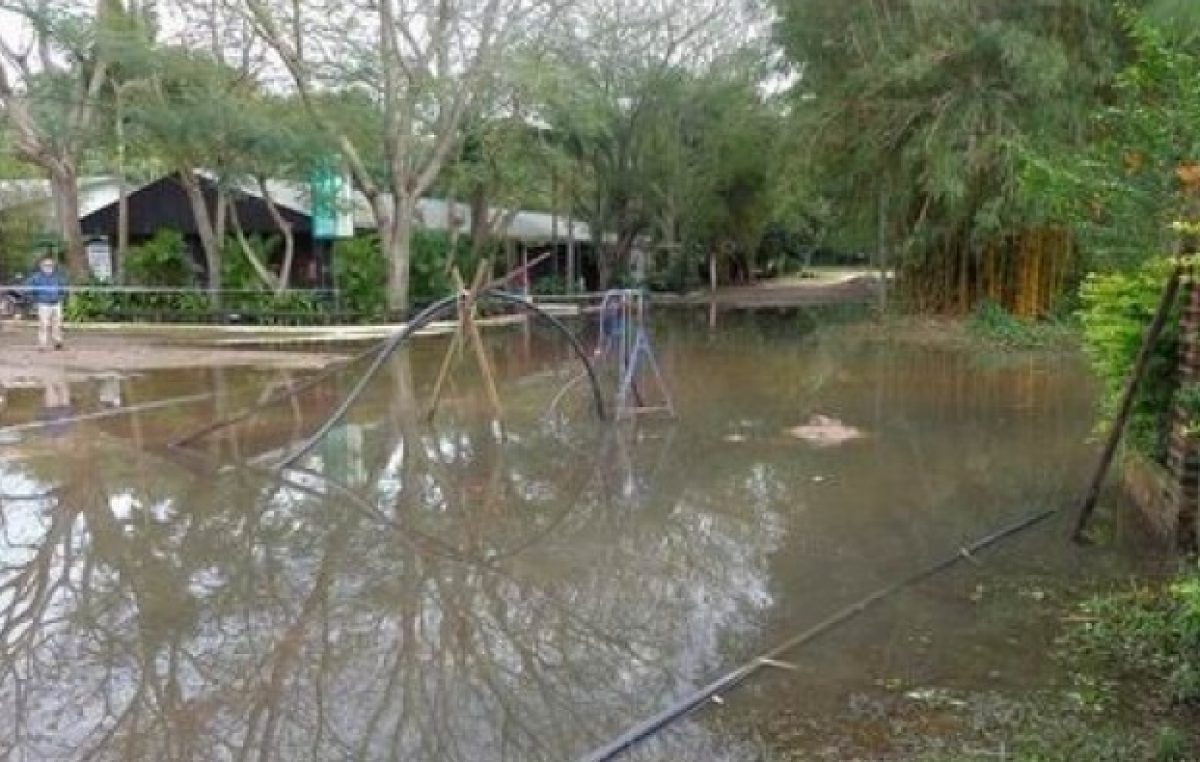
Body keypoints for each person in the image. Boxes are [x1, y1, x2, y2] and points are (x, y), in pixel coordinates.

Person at [25, 254, 66, 351]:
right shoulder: (35, 277)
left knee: (58, 324)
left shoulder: (57, 277)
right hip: (43, 305)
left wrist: (61, 297)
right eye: (46, 265)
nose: (48, 267)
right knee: (43, 325)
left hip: (56, 304)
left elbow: (63, 288)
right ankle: (42, 345)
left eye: (50, 265)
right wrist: (34, 300)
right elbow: (27, 288)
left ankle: (58, 342)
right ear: (41, 266)